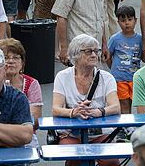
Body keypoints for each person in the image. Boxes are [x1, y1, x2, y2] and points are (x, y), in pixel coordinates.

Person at [51, 35, 120, 166]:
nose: (94, 55)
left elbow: (116, 107)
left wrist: (99, 112)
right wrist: (74, 112)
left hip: (100, 133)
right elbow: (55, 109)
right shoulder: (62, 77)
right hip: (72, 134)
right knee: (74, 159)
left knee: (111, 161)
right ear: (75, 55)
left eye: (96, 51)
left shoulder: (107, 77)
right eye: (88, 51)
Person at [0, 38, 43, 131]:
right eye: (6, 57)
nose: (11, 61)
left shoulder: (32, 83)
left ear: (22, 62)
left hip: (24, 134)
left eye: (16, 57)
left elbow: (35, 120)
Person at [107, 6, 142, 114]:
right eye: (123, 20)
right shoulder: (115, 39)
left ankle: (128, 127)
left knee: (132, 103)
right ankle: (125, 128)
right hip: (120, 79)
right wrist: (114, 69)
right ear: (118, 22)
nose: (127, 23)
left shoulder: (140, 39)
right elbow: (108, 56)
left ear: (135, 21)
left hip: (135, 78)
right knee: (124, 104)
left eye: (130, 19)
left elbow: (143, 56)